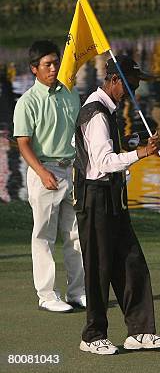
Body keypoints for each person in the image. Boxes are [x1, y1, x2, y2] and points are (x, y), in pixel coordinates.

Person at [73, 55, 160, 355]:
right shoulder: (97, 113)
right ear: (114, 80)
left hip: (113, 198)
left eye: (137, 85)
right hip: (95, 198)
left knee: (131, 263)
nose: (135, 91)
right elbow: (102, 162)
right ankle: (92, 336)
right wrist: (140, 153)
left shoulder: (109, 110)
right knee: (99, 269)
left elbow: (109, 149)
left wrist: (132, 142)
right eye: (131, 85)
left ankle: (139, 332)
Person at [13, 40, 86, 313]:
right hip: (44, 170)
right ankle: (46, 295)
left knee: (76, 234)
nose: (54, 68)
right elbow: (23, 143)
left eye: (56, 62)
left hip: (72, 169)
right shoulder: (27, 102)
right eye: (47, 64)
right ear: (34, 69)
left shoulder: (70, 93)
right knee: (43, 235)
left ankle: (78, 292)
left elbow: (79, 133)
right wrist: (42, 173)